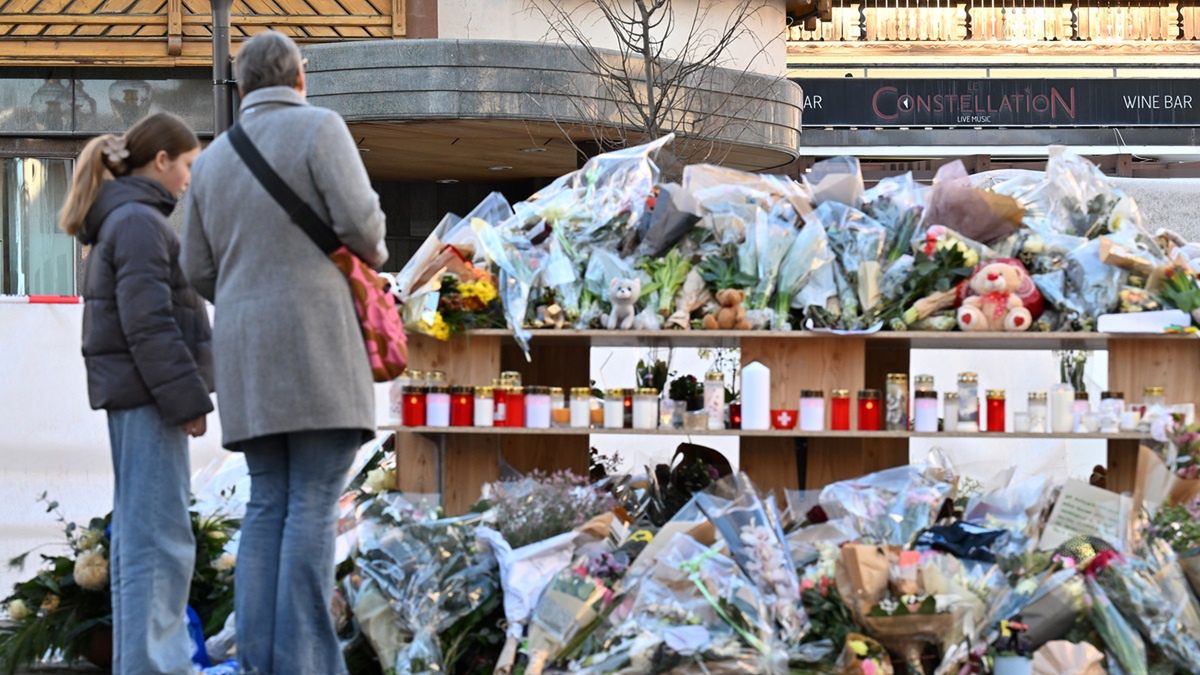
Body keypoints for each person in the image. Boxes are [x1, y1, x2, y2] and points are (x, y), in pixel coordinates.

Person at [181, 30, 387, 675]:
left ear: (242, 87)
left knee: (268, 502)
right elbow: (367, 233)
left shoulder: (212, 160)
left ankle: (265, 663)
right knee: (313, 504)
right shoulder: (321, 129)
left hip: (247, 356)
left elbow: (195, 266)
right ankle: (307, 665)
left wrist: (244, 300)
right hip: (319, 347)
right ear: (300, 79)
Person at [62, 111, 212, 674]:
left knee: (143, 539)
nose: (190, 179)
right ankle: (155, 666)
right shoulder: (140, 223)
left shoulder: (125, 220)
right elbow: (148, 325)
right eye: (189, 165)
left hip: (138, 396)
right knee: (159, 542)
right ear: (163, 160)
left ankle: (144, 663)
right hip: (150, 399)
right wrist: (188, 400)